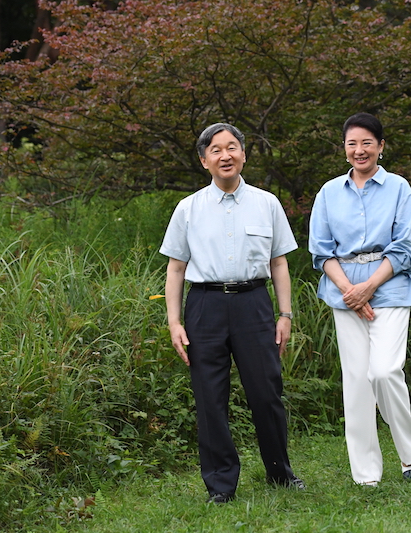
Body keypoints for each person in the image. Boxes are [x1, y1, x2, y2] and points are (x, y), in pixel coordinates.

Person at [160, 123, 305, 503]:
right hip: (204, 307)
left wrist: (285, 314)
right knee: (209, 397)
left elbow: (279, 264)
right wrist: (174, 322)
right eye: (216, 149)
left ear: (243, 153)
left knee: (266, 391)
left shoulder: (266, 202)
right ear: (204, 159)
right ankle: (221, 484)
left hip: (253, 304)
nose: (226, 155)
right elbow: (175, 269)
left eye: (232, 147)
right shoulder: (188, 208)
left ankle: (280, 472)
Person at [308, 112, 411, 486]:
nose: (359, 150)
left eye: (367, 143)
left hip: (389, 286)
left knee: (385, 370)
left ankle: (410, 452)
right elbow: (321, 252)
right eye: (351, 143)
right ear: (344, 149)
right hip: (343, 290)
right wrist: (350, 291)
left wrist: (368, 287)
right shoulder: (328, 193)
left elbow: (406, 247)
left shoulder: (398, 188)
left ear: (381, 146)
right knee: (357, 381)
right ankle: (366, 474)